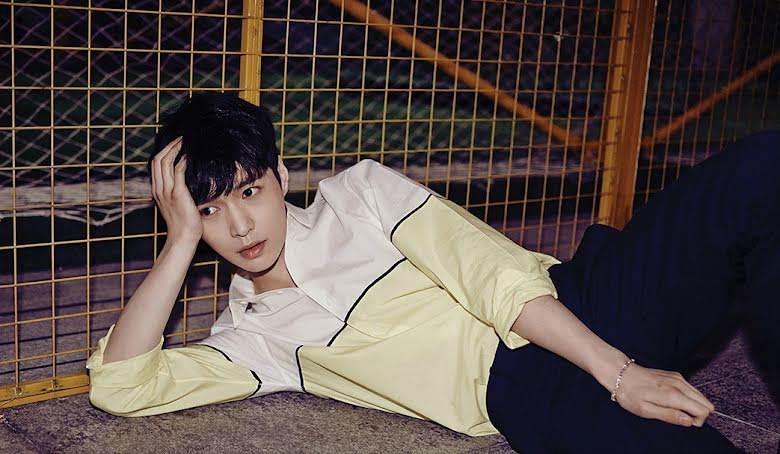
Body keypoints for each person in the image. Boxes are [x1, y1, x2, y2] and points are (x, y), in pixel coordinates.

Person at [87, 92, 779, 453]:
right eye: (210, 210)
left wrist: (619, 372)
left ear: (281, 176)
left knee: (761, 168)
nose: (239, 226)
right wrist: (178, 244)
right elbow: (121, 386)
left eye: (249, 191)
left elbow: (492, 276)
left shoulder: (359, 196)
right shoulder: (255, 338)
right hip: (526, 392)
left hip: (579, 299)